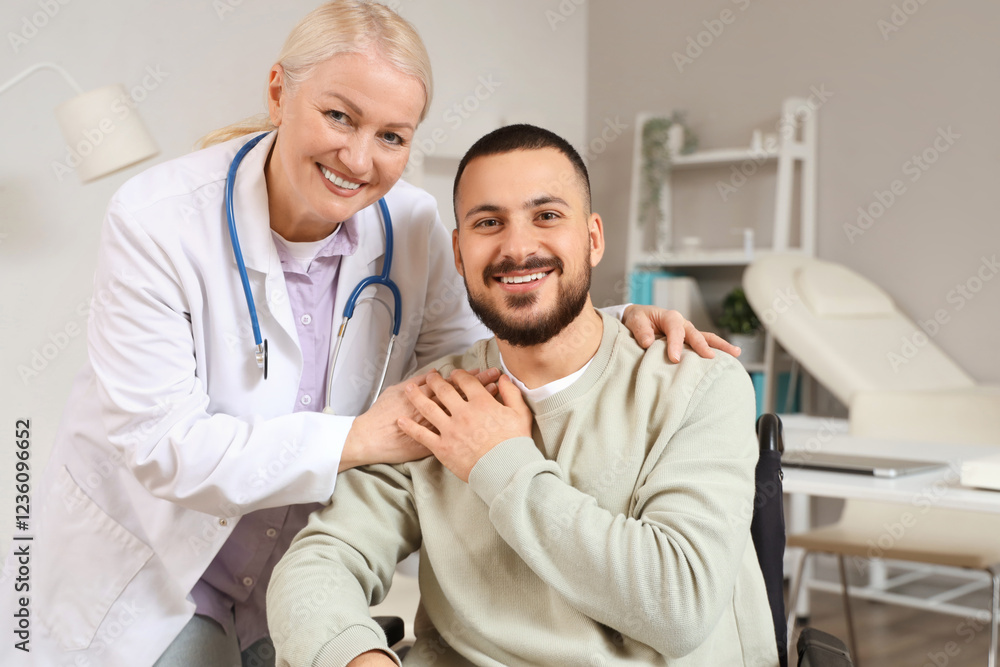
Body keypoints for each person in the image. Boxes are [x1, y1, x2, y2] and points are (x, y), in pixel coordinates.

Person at [0, 3, 738, 667]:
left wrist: (614, 326)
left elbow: (488, 352)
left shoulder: (412, 225)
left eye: (391, 135)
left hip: (282, 561)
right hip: (159, 567)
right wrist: (359, 440)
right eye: (339, 117)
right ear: (279, 93)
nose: (358, 157)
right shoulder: (158, 218)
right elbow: (162, 444)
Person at [266, 124, 779, 667]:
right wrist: (357, 657)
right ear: (460, 254)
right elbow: (319, 563)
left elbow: (680, 608)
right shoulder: (439, 399)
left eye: (547, 216)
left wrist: (497, 461)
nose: (517, 247)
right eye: (489, 223)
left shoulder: (696, 383)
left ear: (594, 238)